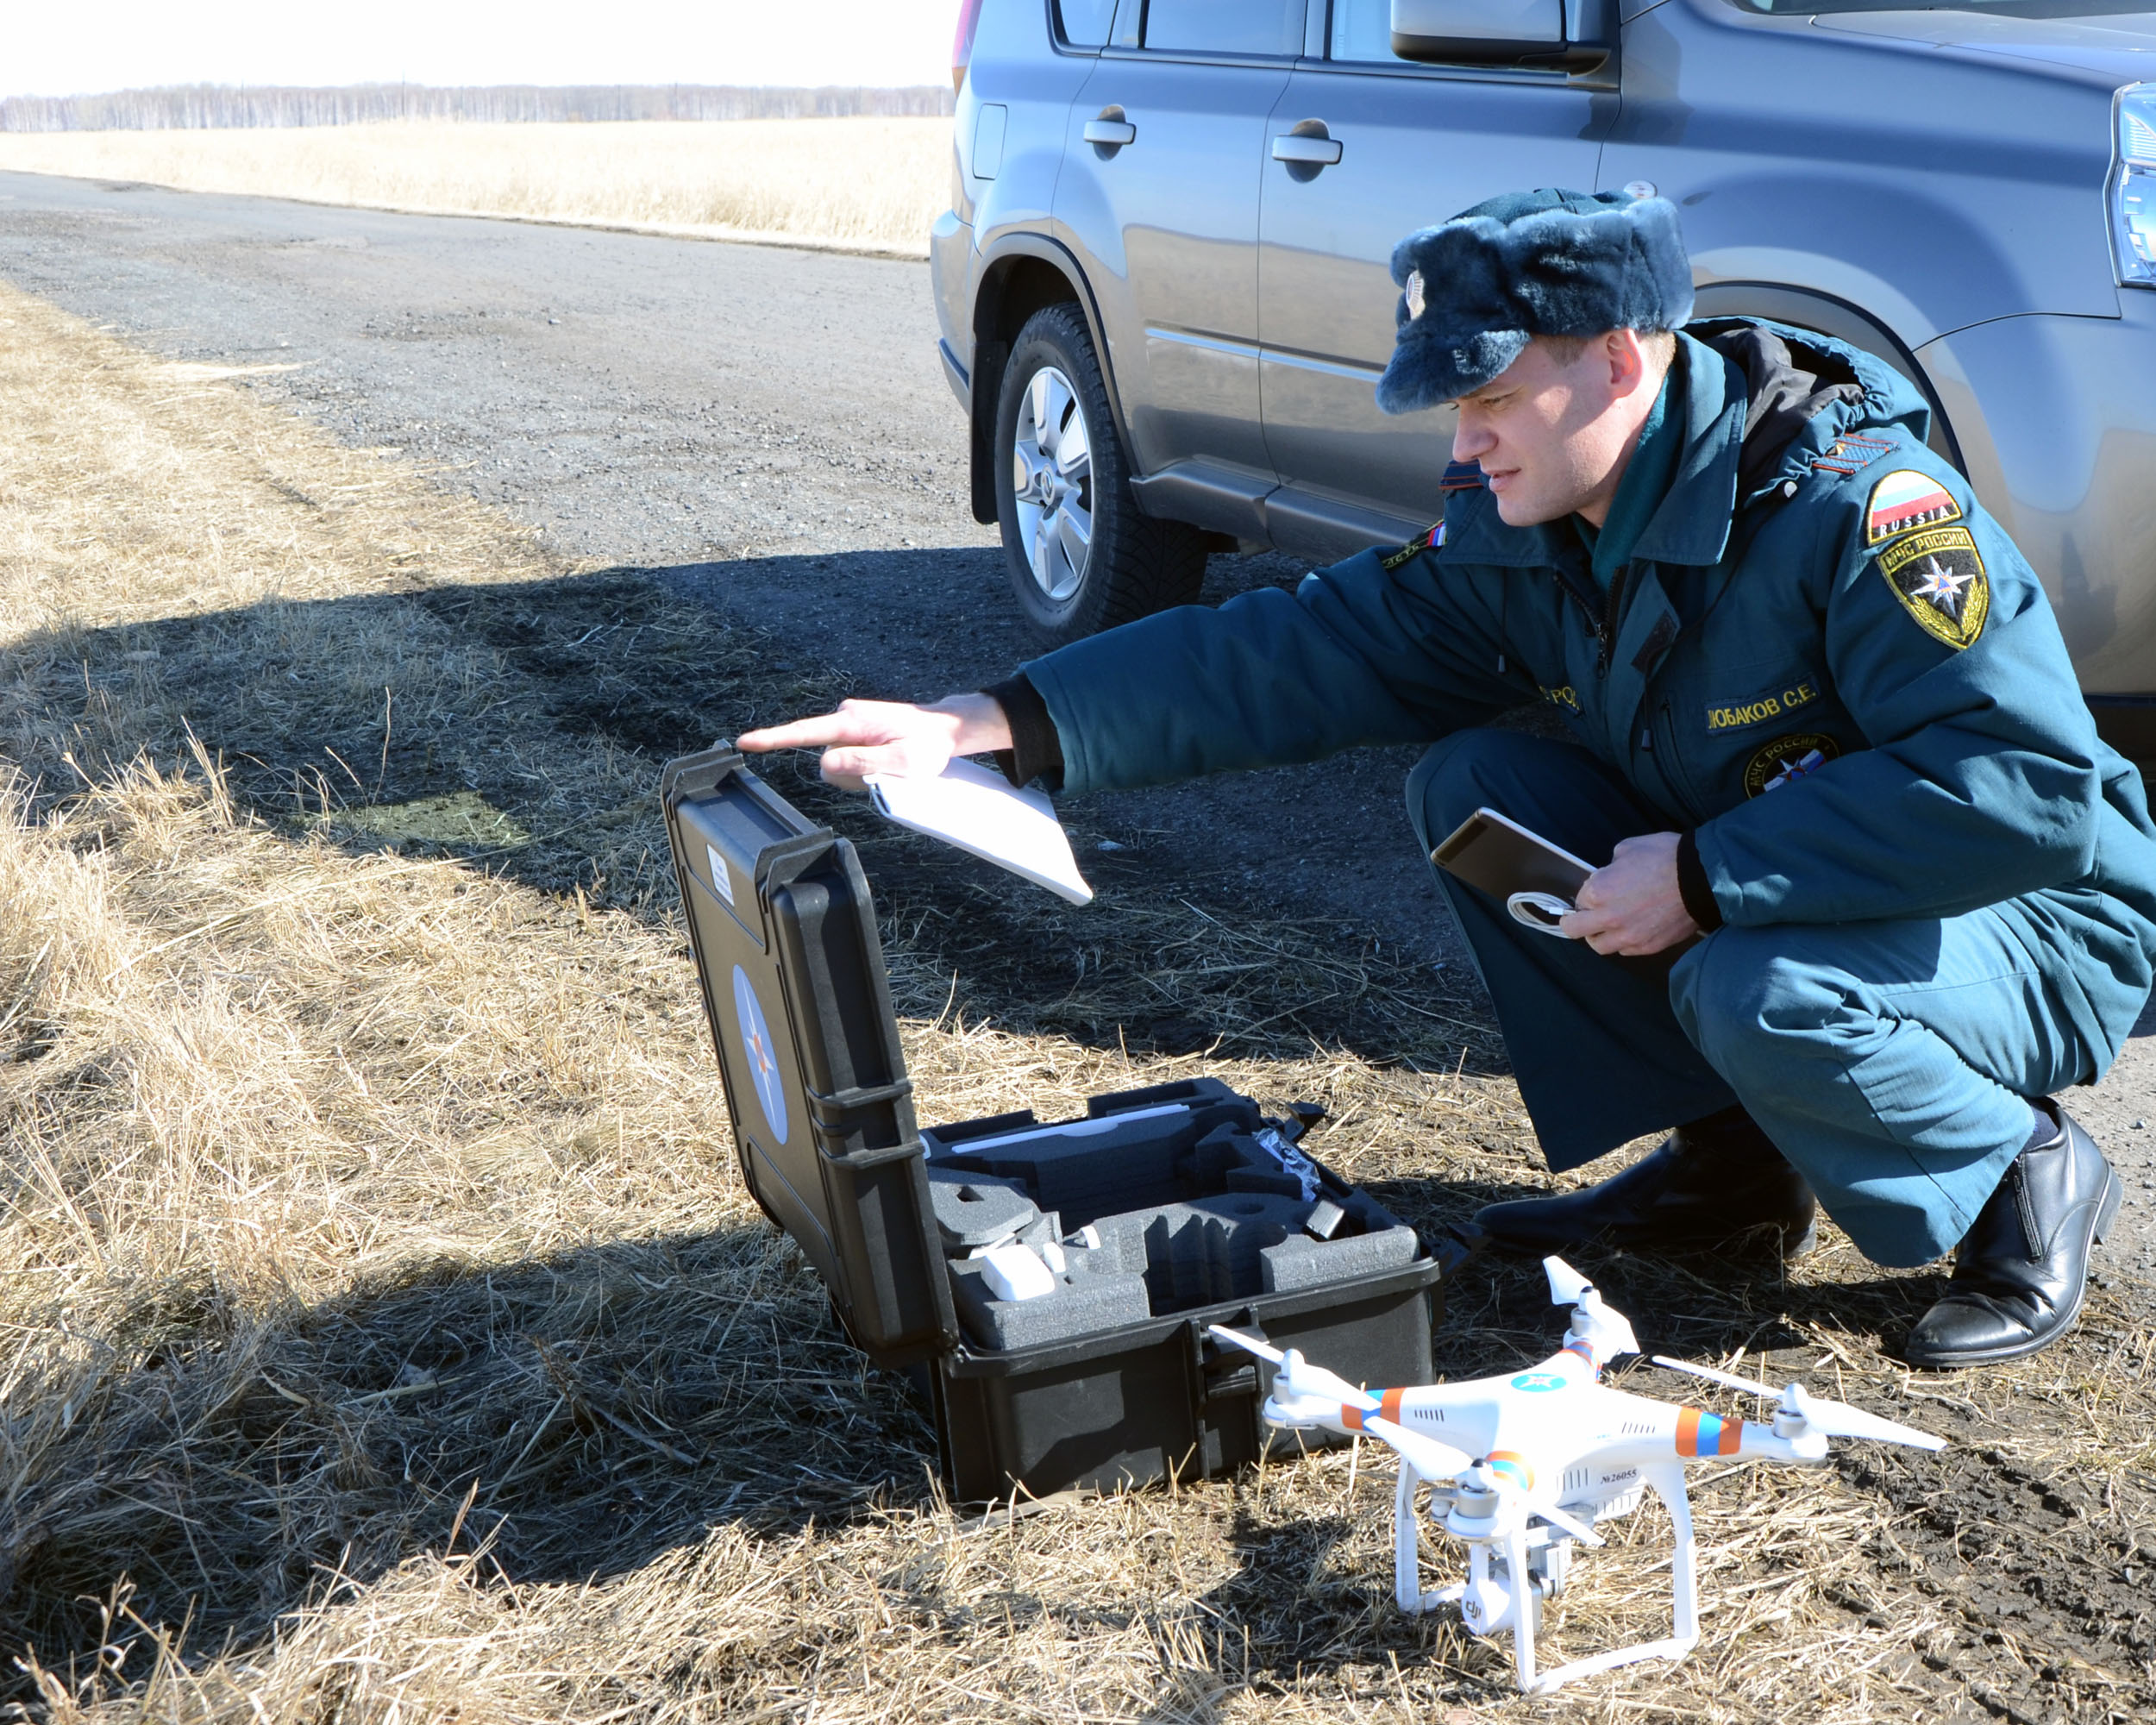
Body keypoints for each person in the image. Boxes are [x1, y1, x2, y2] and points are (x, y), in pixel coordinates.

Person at [740, 188, 2156, 1369]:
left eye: (1487, 397)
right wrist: (991, 719)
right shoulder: (1538, 516)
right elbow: (1302, 649)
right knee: (1479, 789)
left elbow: (2024, 784)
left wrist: (1715, 879)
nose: (1461, 443)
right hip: (1816, 886)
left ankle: (2017, 1167)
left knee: (1746, 979)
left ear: (1619, 359)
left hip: (2036, 912)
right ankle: (1737, 1175)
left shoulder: (1859, 509)